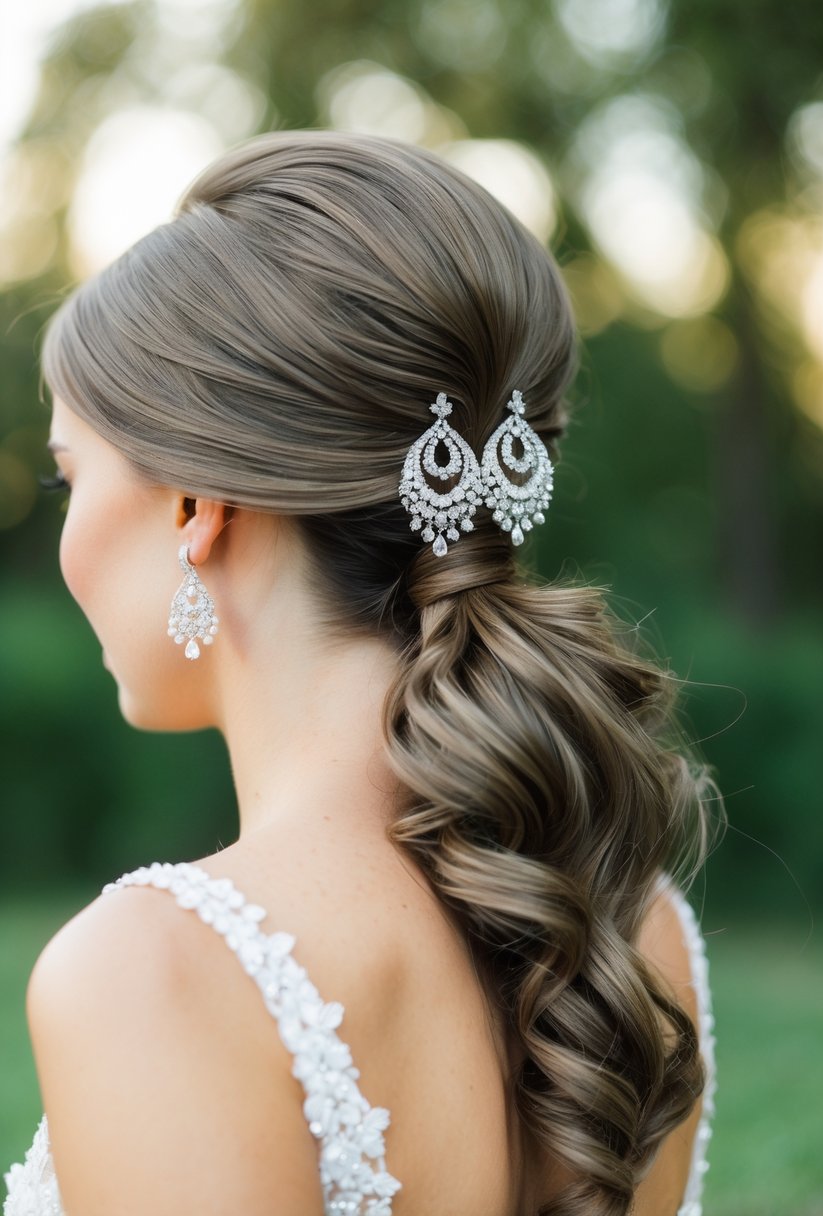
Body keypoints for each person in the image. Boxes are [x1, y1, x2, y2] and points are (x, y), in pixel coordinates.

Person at [4, 131, 718, 1216]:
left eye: (69, 479)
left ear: (196, 502)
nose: (67, 545)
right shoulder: (622, 928)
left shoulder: (154, 976)